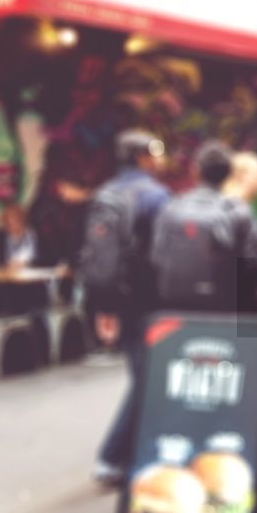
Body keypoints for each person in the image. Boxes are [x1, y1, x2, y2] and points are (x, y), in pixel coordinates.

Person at [86, 130, 170, 485]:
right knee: (150, 379)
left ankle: (129, 453)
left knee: (145, 375)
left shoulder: (105, 194)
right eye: (156, 152)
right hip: (150, 299)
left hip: (118, 299)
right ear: (142, 157)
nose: (160, 159)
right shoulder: (155, 196)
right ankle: (113, 456)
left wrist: (104, 308)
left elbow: (99, 257)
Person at [152, 143, 257, 313]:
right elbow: (254, 266)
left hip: (175, 308)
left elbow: (156, 256)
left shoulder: (170, 208)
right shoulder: (239, 211)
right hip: (225, 309)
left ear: (195, 171)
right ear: (229, 174)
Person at [0, 203, 37, 271]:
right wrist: (7, 265)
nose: (11, 226)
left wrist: (26, 264)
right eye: (7, 223)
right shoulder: (0, 239)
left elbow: (40, 260)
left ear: (22, 220)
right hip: (8, 277)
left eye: (15, 221)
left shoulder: (33, 235)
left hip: (32, 276)